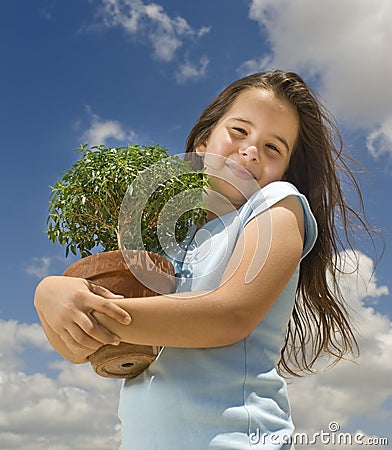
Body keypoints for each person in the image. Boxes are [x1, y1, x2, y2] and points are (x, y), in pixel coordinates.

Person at [34, 70, 373, 449]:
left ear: (285, 170)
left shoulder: (278, 203)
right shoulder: (170, 248)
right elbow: (79, 349)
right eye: (239, 131)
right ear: (202, 142)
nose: (251, 150)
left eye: (273, 148)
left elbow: (230, 315)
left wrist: (94, 313)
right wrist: (50, 296)